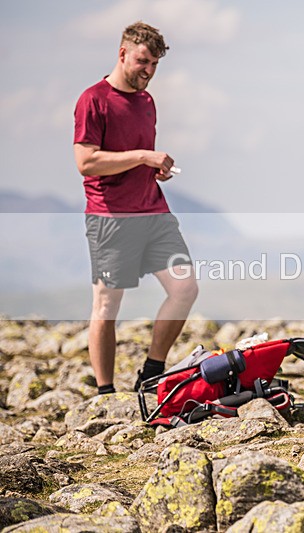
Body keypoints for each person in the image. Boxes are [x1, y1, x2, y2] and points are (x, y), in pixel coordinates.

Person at [73, 22, 198, 396]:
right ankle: (105, 394)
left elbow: (131, 159)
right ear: (123, 53)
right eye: (143, 61)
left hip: (154, 212)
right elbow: (86, 162)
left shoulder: (147, 102)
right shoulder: (93, 100)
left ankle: (152, 371)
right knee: (106, 305)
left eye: (155, 64)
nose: (149, 70)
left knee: (185, 288)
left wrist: (155, 169)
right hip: (111, 217)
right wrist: (144, 156)